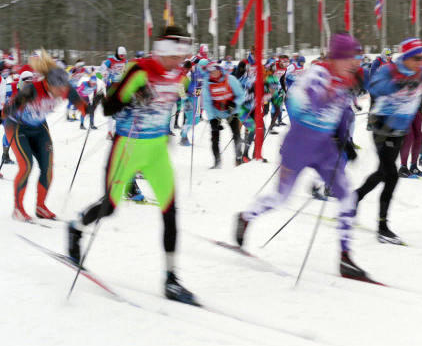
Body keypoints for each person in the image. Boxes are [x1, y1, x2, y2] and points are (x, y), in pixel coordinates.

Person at [68, 26, 196, 304]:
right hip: (128, 147)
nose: (179, 60)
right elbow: (109, 107)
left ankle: (171, 280)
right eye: (176, 54)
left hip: (156, 151)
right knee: (110, 206)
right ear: (163, 49)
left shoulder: (179, 75)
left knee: (170, 211)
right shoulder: (139, 70)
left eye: (183, 54)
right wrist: (133, 97)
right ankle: (76, 227)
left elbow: (181, 91)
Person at [236, 33, 372, 281]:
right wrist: (325, 96)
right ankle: (246, 217)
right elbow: (296, 103)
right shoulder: (316, 74)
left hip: (325, 149)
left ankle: (345, 257)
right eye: (352, 58)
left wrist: (345, 140)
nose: (355, 63)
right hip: (299, 146)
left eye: (358, 58)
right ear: (338, 57)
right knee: (281, 198)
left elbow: (342, 112)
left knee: (347, 197)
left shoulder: (345, 79)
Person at [356, 38, 422, 245]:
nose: (420, 62)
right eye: (416, 58)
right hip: (382, 128)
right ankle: (382, 227)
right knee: (391, 176)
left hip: (400, 130)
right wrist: (398, 84)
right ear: (405, 57)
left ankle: (354, 199)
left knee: (382, 173)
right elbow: (375, 88)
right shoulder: (389, 70)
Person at [3, 52, 85, 220]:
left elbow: (80, 104)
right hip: (18, 127)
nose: (61, 93)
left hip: (39, 127)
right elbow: (8, 110)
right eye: (58, 90)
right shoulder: (31, 90)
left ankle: (40, 207)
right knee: (26, 165)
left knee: (47, 168)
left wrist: (89, 108)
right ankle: (18, 209)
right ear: (48, 83)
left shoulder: (64, 87)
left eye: (63, 89)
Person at [202, 64, 245, 167]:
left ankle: (239, 158)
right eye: (211, 72)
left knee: (236, 134)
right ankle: (217, 161)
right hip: (216, 111)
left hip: (231, 111)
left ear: (220, 70)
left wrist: (234, 103)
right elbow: (207, 103)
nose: (214, 74)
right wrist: (212, 119)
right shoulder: (207, 83)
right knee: (214, 136)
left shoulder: (230, 79)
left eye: (215, 71)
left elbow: (241, 95)